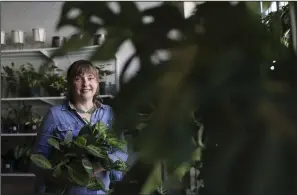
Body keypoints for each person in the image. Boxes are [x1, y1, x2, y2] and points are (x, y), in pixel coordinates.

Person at [31, 60, 128, 195]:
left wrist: (99, 166)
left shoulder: (109, 113)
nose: (86, 84)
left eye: (90, 78)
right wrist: (63, 176)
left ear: (97, 83)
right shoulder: (55, 115)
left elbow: (122, 152)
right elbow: (37, 160)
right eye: (78, 79)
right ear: (70, 84)